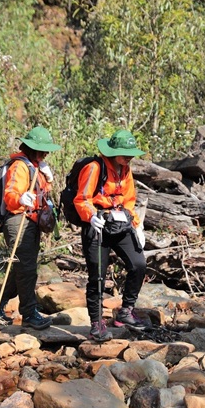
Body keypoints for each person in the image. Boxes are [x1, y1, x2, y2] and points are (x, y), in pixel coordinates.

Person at [0, 127, 59, 330]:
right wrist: (20, 198)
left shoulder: (35, 166)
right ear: (31, 148)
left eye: (46, 151)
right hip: (18, 220)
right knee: (26, 270)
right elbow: (11, 194)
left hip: (31, 221)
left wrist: (47, 179)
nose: (45, 154)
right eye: (41, 151)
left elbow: (41, 193)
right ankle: (30, 314)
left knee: (19, 270)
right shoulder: (20, 166)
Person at [74, 129, 149, 342]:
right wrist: (91, 216)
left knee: (138, 264)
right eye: (125, 154)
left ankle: (126, 312)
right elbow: (82, 199)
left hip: (120, 224)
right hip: (97, 225)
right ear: (113, 151)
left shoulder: (126, 170)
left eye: (131, 154)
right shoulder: (94, 168)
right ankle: (97, 324)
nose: (129, 157)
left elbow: (129, 199)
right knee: (97, 275)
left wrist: (136, 224)